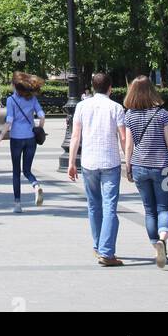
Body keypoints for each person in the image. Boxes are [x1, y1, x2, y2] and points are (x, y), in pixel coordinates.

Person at [123, 76, 168, 268]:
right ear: (152, 90)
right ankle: (163, 238)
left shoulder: (129, 116)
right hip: (163, 169)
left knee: (149, 210)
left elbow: (128, 146)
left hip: (140, 168)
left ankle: (155, 246)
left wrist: (128, 167)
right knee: (164, 208)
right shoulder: (162, 114)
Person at [68, 71, 126, 265]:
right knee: (110, 206)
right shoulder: (116, 108)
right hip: (111, 162)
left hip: (89, 162)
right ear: (110, 87)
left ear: (93, 87)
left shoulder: (82, 106)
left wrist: (71, 163)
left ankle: (97, 245)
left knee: (94, 205)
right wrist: (129, 160)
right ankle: (107, 252)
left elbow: (75, 136)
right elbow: (123, 137)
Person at [0, 72, 46, 213]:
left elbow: (9, 120)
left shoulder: (11, 100)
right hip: (30, 139)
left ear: (16, 87)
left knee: (16, 171)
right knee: (27, 170)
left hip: (16, 138)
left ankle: (17, 204)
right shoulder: (33, 99)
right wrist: (39, 128)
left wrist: (0, 137)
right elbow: (42, 115)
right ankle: (35, 185)